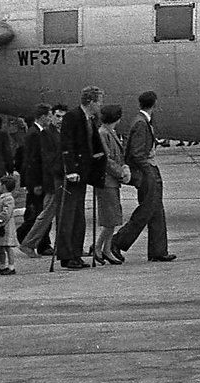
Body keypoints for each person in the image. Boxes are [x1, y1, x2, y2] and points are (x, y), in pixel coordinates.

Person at [114, 91, 173, 262]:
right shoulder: (141, 123)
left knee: (156, 212)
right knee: (146, 210)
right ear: (155, 104)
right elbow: (137, 153)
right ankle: (117, 242)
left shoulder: (141, 121)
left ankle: (158, 250)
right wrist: (148, 171)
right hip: (147, 172)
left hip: (149, 170)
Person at [58, 86, 106, 270]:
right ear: (91, 101)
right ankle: (66, 254)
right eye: (99, 101)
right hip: (74, 173)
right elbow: (67, 143)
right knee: (70, 215)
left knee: (79, 216)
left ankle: (75, 253)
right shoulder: (73, 116)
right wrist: (70, 169)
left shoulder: (89, 119)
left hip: (84, 172)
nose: (100, 105)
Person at [16, 104, 63, 256]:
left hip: (44, 179)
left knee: (43, 213)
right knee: (41, 213)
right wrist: (35, 183)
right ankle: (30, 241)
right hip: (42, 181)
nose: (51, 119)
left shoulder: (41, 132)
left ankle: (42, 243)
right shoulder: (35, 134)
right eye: (50, 116)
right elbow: (32, 161)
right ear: (43, 117)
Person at [93, 104, 128, 265]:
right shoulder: (103, 133)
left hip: (111, 181)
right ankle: (98, 247)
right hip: (106, 181)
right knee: (110, 219)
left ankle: (106, 248)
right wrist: (121, 172)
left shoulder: (109, 132)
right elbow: (106, 160)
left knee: (113, 217)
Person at [0, 174, 18, 276]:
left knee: (7, 247)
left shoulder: (8, 199)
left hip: (5, 226)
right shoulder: (2, 198)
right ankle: (2, 266)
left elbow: (7, 213)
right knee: (0, 246)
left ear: (4, 187)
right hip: (0, 226)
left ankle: (11, 266)